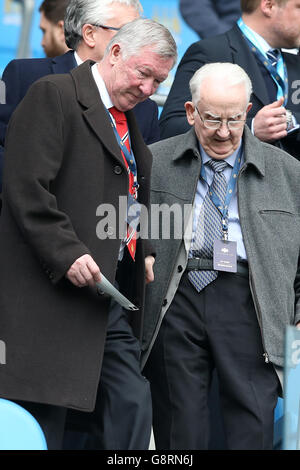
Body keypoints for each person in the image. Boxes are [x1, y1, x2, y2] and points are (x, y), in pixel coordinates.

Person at [0, 18, 177, 450]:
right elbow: (26, 188)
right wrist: (67, 253)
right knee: (46, 419)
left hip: (106, 293)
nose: (150, 89)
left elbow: (129, 190)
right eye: (144, 74)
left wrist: (145, 247)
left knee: (133, 401)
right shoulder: (53, 94)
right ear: (114, 53)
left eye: (159, 80)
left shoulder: (134, 114)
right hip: (52, 291)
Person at [142, 62, 300, 450]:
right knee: (181, 429)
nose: (226, 132)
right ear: (191, 112)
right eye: (213, 119)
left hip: (251, 299)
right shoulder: (153, 162)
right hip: (176, 298)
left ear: (247, 111)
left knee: (252, 421)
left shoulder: (288, 173)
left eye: (235, 118)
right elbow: (127, 230)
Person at [0, 0, 161, 194]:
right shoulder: (26, 76)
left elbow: (145, 184)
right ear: (90, 34)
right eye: (128, 33)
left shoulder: (145, 107)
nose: (138, 44)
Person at [160, 0, 300, 162]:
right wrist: (250, 128)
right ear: (268, 6)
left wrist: (290, 121)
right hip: (224, 183)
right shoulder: (210, 52)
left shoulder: (294, 60)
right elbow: (170, 127)